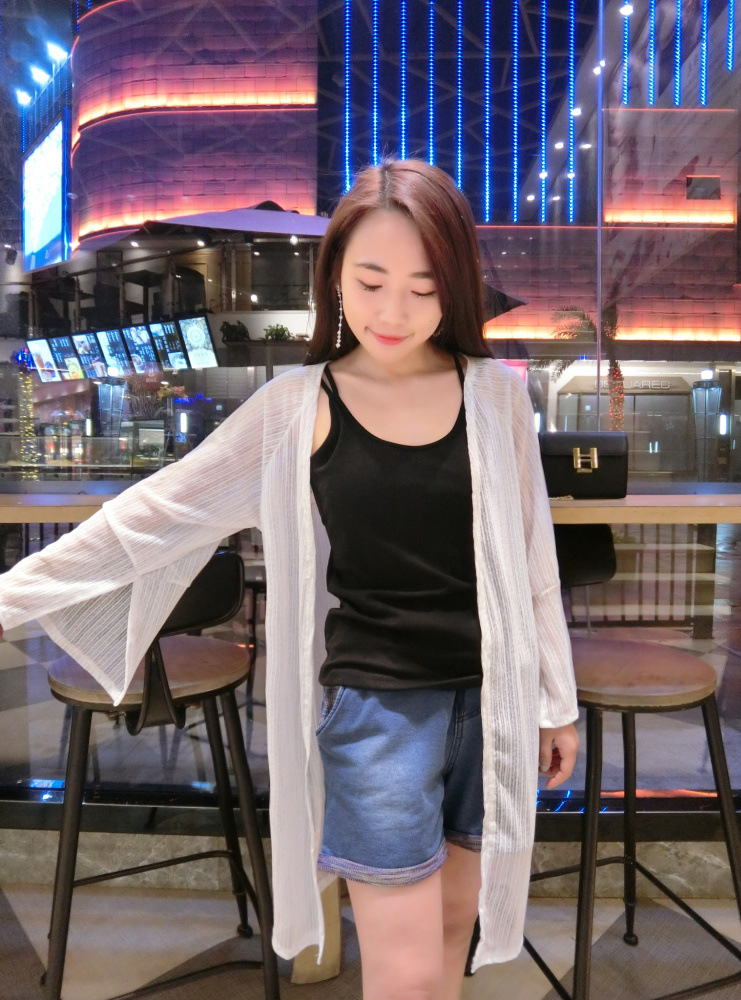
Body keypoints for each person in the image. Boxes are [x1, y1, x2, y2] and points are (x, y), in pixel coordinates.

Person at [0, 159, 578, 999]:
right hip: (379, 713)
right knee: (406, 977)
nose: (393, 312)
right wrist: (12, 595)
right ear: (335, 275)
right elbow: (156, 514)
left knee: (456, 932)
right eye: (371, 282)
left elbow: (532, 562)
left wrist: (555, 702)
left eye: (423, 288)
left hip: (494, 704)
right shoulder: (298, 406)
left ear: (454, 289)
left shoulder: (495, 398)